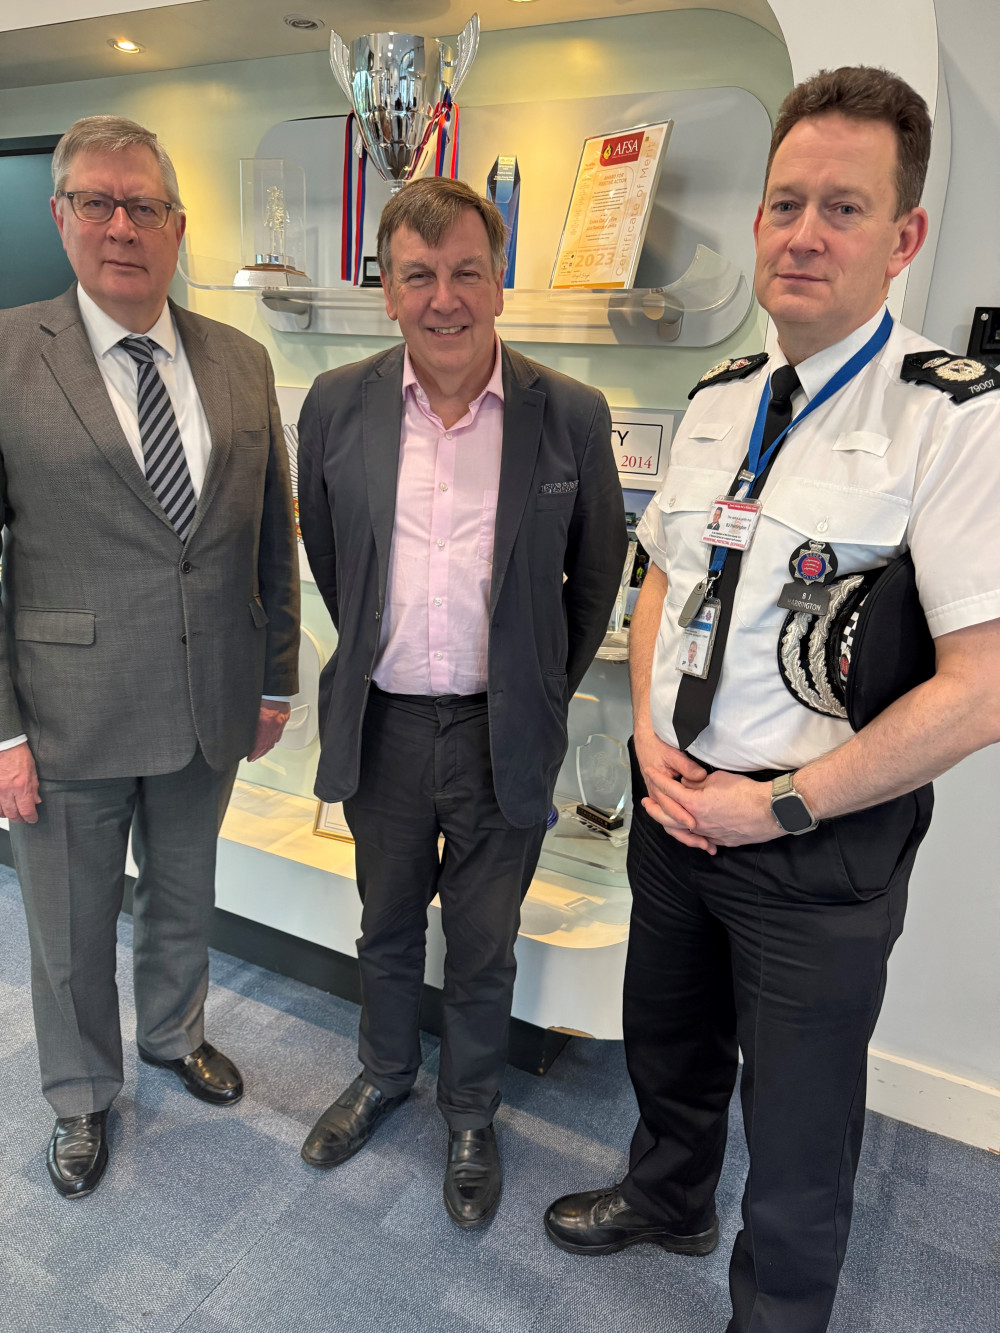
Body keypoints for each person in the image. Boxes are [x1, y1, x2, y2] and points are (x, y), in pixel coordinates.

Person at [543, 66, 1000, 1332]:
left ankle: (777, 1312)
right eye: (784, 201)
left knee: (798, 1115)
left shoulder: (954, 422)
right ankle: (667, 1192)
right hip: (677, 805)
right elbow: (661, 585)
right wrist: (645, 731)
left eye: (843, 208)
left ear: (902, 237)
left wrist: (782, 807)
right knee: (668, 1044)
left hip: (815, 843)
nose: (805, 232)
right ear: (755, 222)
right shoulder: (717, 399)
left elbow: (983, 686)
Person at [297, 177, 626, 1227]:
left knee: (483, 946)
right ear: (386, 291)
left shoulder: (566, 414)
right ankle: (384, 1071)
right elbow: (328, 547)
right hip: (385, 725)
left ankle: (470, 1110)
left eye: (465, 272)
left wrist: (532, 689)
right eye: (418, 275)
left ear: (500, 281)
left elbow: (596, 575)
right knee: (385, 925)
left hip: (501, 737)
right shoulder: (336, 403)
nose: (445, 297)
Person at [0, 115, 300, 1199]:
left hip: (206, 697)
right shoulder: (5, 353)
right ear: (63, 217)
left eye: (145, 206)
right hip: (65, 706)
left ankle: (175, 1036)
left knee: (183, 895)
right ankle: (81, 1095)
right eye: (97, 202)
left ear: (178, 225)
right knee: (71, 926)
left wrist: (274, 675)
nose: (122, 225)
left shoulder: (239, 359)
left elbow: (273, 531)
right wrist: (3, 730)